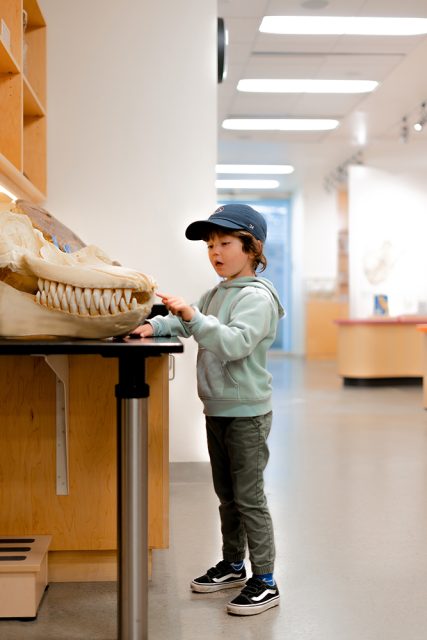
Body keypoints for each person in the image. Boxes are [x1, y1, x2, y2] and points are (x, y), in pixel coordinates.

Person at [131, 203, 284, 616]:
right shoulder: (217, 292)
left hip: (247, 413)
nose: (215, 252)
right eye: (210, 245)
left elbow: (233, 343)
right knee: (227, 496)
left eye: (226, 243)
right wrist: (155, 325)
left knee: (249, 498)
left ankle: (265, 579)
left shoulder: (256, 298)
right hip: (217, 408)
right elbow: (185, 323)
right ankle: (234, 564)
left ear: (252, 248)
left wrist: (193, 316)